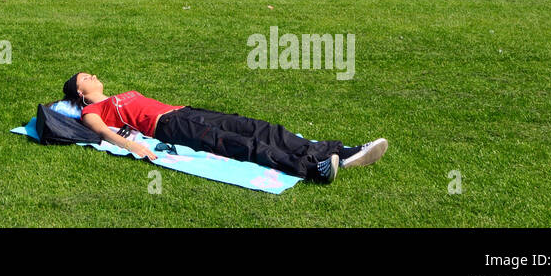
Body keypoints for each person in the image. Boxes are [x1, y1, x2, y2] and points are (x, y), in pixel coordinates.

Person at [62, 72, 387, 183]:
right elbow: (104, 133)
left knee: (258, 128)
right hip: (169, 127)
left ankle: (340, 152)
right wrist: (135, 147)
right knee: (236, 143)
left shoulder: (117, 95)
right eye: (85, 78)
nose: (92, 76)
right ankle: (312, 169)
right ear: (80, 92)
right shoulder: (92, 110)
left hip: (183, 111)